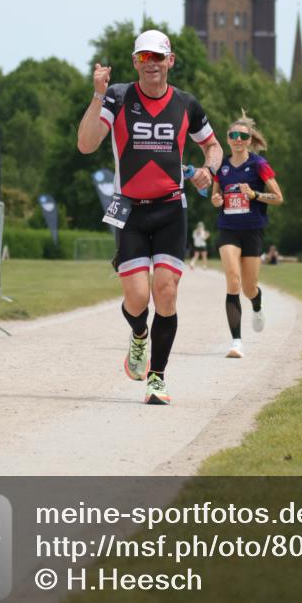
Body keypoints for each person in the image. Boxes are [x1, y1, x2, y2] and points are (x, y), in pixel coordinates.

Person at [77, 28, 222, 404]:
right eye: (144, 57)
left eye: (158, 57)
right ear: (134, 62)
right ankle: (139, 334)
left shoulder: (187, 104)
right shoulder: (118, 96)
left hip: (171, 207)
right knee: (138, 298)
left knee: (166, 292)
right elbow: (86, 143)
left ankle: (157, 378)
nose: (151, 64)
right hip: (128, 208)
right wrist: (97, 94)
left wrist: (209, 167)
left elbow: (214, 145)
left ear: (170, 61)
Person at [211, 111, 283, 358]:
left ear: (250, 140)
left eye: (243, 135)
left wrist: (255, 195)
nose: (238, 139)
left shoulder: (259, 165)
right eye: (234, 135)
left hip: (252, 230)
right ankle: (237, 342)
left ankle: (257, 304)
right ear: (228, 139)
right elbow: (215, 196)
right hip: (228, 229)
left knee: (249, 288)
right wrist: (216, 198)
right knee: (233, 281)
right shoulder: (222, 166)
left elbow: (278, 197)